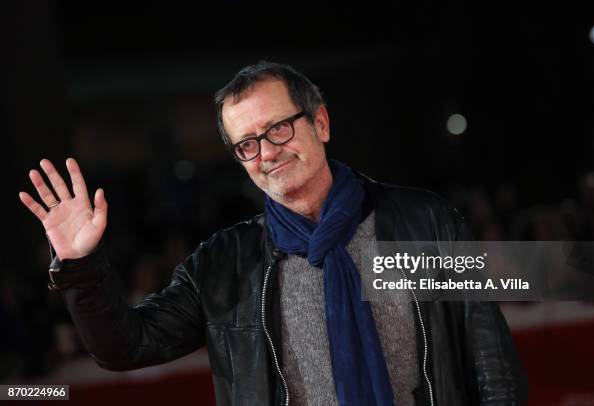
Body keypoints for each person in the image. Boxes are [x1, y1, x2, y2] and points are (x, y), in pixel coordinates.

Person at [19, 61, 527, 406]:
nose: (266, 152)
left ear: (320, 123)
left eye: (278, 129)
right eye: (246, 144)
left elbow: (488, 355)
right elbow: (125, 347)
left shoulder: (422, 222)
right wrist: (81, 266)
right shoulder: (224, 264)